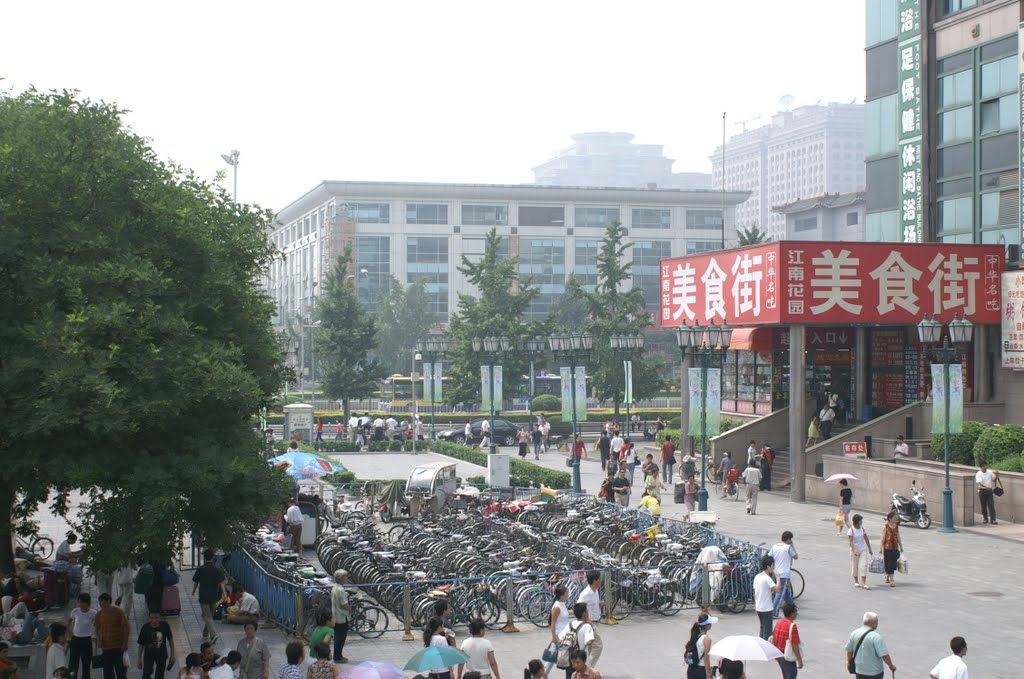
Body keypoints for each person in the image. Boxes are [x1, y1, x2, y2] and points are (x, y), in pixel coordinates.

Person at [846, 611, 896, 678]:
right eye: (877, 622)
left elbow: (849, 651)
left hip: (859, 671)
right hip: (874, 673)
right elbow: (884, 654)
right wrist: (891, 666)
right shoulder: (876, 637)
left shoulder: (854, 633)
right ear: (874, 623)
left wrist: (849, 663)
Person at [192, 550, 226, 645]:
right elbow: (221, 582)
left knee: (207, 616)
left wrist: (194, 590)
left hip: (203, 596)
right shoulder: (217, 570)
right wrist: (224, 592)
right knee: (210, 615)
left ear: (204, 557)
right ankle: (206, 632)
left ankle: (213, 634)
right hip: (213, 596)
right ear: (213, 557)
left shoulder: (200, 569)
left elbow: (196, 581)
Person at [94, 592, 129, 679]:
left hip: (119, 647)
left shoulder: (118, 612)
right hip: (106, 648)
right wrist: (99, 640)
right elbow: (96, 629)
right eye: (100, 602)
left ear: (108, 601)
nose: (101, 604)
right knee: (107, 673)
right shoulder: (99, 614)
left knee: (121, 672)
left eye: (102, 602)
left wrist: (125, 643)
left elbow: (126, 628)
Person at [559, 604, 597, 679]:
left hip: (570, 659)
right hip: (581, 659)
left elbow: (560, 639)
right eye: (587, 611)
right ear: (584, 613)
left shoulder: (570, 624)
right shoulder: (587, 626)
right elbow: (589, 642)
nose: (588, 612)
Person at [137, 611, 176, 679]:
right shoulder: (145, 627)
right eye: (152, 618)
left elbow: (170, 640)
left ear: (160, 618)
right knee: (146, 673)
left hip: (162, 655)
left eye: (156, 618)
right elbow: (141, 644)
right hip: (148, 654)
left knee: (159, 676)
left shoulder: (165, 625)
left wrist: (172, 655)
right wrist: (139, 658)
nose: (154, 620)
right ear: (149, 618)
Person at [67, 593, 96, 679]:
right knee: (73, 664)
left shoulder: (93, 613)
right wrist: (69, 633)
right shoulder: (75, 611)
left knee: (86, 664)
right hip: (75, 639)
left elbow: (98, 625)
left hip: (87, 640)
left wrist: (95, 635)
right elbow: (69, 622)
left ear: (87, 603)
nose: (80, 605)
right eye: (79, 602)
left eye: (82, 602)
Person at [770, 531, 798, 617]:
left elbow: (769, 556)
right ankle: (774, 613)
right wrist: (792, 545)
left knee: (786, 594)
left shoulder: (775, 546)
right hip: (784, 574)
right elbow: (795, 556)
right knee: (780, 594)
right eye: (791, 539)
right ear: (788, 539)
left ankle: (792, 610)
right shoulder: (788, 547)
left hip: (776, 573)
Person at [772, 603, 803, 679]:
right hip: (787, 657)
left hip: (779, 655)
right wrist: (800, 660)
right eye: (796, 612)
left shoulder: (779, 623)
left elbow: (774, 639)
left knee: (785, 675)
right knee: (791, 675)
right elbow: (794, 645)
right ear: (792, 614)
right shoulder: (792, 626)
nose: (797, 613)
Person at [752, 555, 780, 640]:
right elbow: (777, 588)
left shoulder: (757, 576)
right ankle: (765, 648)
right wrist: (778, 578)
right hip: (766, 608)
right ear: (768, 566)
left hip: (759, 606)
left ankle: (760, 646)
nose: (773, 567)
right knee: (767, 632)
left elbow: (755, 590)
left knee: (762, 628)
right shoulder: (767, 578)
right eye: (772, 565)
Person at [683, 613, 716, 679]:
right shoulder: (707, 639)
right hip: (701, 670)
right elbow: (706, 659)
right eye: (710, 623)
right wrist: (709, 675)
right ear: (707, 626)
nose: (711, 625)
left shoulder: (695, 634)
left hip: (691, 668)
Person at [330, 569, 351, 664]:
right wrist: (350, 609)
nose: (347, 578)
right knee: (340, 638)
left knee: (338, 637)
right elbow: (344, 605)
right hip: (341, 617)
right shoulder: (341, 590)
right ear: (341, 578)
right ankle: (338, 657)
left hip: (335, 616)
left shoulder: (335, 587)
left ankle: (339, 656)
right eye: (345, 577)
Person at [848, 514, 874, 589]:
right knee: (855, 566)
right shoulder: (851, 530)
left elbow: (866, 538)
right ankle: (856, 581)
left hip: (863, 549)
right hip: (855, 550)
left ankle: (863, 583)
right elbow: (851, 542)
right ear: (857, 521)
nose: (861, 522)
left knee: (864, 565)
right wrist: (854, 550)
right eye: (860, 520)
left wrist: (870, 549)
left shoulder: (862, 528)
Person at [880, 512, 903, 587]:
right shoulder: (885, 527)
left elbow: (898, 536)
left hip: (895, 548)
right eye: (895, 517)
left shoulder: (896, 526)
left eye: (896, 517)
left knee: (893, 563)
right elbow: (883, 538)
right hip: (887, 548)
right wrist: (880, 548)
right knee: (888, 563)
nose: (896, 519)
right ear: (890, 519)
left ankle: (887, 575)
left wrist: (901, 546)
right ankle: (892, 580)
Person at [976, 460, 999, 524]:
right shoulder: (979, 473)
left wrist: (997, 475)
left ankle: (993, 519)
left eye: (986, 465)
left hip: (989, 491)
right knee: (983, 505)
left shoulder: (990, 472)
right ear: (981, 467)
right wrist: (985, 486)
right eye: (984, 466)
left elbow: (994, 480)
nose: (985, 467)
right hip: (982, 491)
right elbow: (979, 482)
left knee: (991, 504)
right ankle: (985, 519)